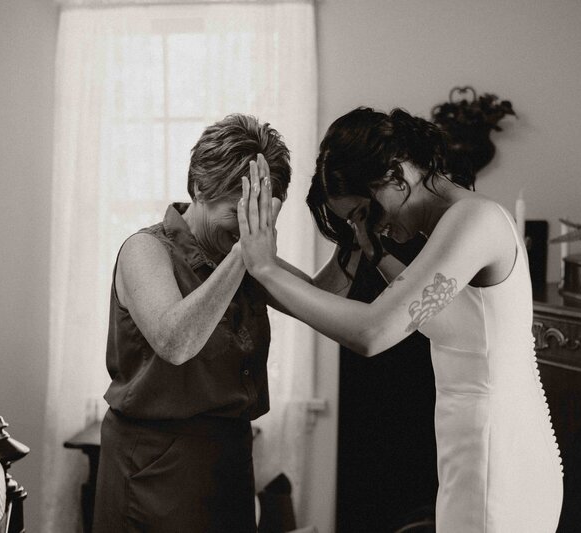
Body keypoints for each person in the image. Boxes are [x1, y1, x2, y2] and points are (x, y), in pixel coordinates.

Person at [237, 107, 564, 532]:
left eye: (363, 211)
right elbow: (326, 297)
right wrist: (252, 260)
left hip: (498, 457)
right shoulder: (450, 228)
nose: (374, 226)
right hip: (474, 451)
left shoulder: (475, 220)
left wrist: (264, 267)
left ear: (395, 175)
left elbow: (373, 332)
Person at [93, 114, 297, 533]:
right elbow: (176, 342)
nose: (250, 227)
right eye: (237, 211)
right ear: (199, 188)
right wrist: (246, 250)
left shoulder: (239, 256)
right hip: (156, 468)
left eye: (259, 214)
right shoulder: (145, 251)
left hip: (230, 461)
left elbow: (319, 300)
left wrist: (353, 237)